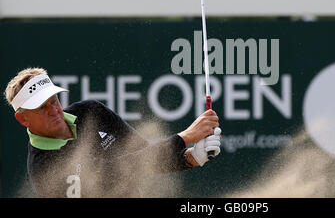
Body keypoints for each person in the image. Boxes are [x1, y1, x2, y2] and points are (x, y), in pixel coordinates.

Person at [4, 67, 221, 197]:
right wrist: (185, 137)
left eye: (54, 101)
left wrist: (191, 157)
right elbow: (116, 170)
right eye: (42, 107)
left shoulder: (90, 112)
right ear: (23, 119)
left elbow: (146, 156)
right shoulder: (45, 166)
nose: (54, 111)